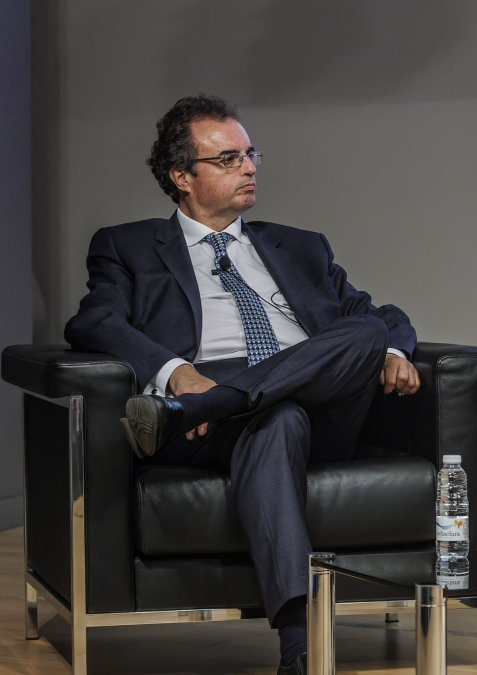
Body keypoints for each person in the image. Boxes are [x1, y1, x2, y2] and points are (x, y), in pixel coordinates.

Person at [65, 94, 420, 675]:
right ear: (182, 176)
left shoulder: (301, 246)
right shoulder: (127, 246)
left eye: (250, 154)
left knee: (363, 329)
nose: (250, 167)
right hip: (217, 419)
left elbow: (380, 314)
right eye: (229, 159)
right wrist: (176, 370)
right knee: (276, 418)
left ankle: (214, 403)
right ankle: (301, 649)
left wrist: (391, 348)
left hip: (280, 407)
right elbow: (93, 321)